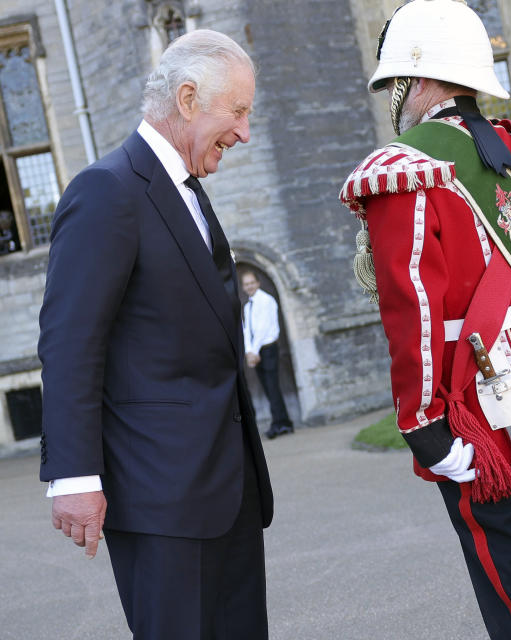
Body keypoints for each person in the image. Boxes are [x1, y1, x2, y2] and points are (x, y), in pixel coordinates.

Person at [340, 1, 511, 638]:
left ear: (417, 78)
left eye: (394, 85)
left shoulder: (407, 170)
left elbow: (414, 306)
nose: (394, 98)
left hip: (479, 417)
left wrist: (423, 423)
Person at [38, 29, 272, 640]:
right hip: (160, 500)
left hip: (228, 490)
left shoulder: (187, 190)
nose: (245, 132)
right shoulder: (107, 190)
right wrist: (75, 476)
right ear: (189, 99)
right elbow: (69, 343)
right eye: (239, 111)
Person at [241, 269, 294, 439]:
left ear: (257, 283)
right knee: (266, 387)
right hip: (256, 351)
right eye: (246, 284)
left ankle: (280, 423)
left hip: (268, 348)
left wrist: (254, 351)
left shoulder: (266, 300)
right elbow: (247, 329)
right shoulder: (247, 305)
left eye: (251, 283)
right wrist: (249, 351)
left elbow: (263, 329)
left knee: (272, 387)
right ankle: (283, 421)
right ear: (243, 287)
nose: (249, 286)